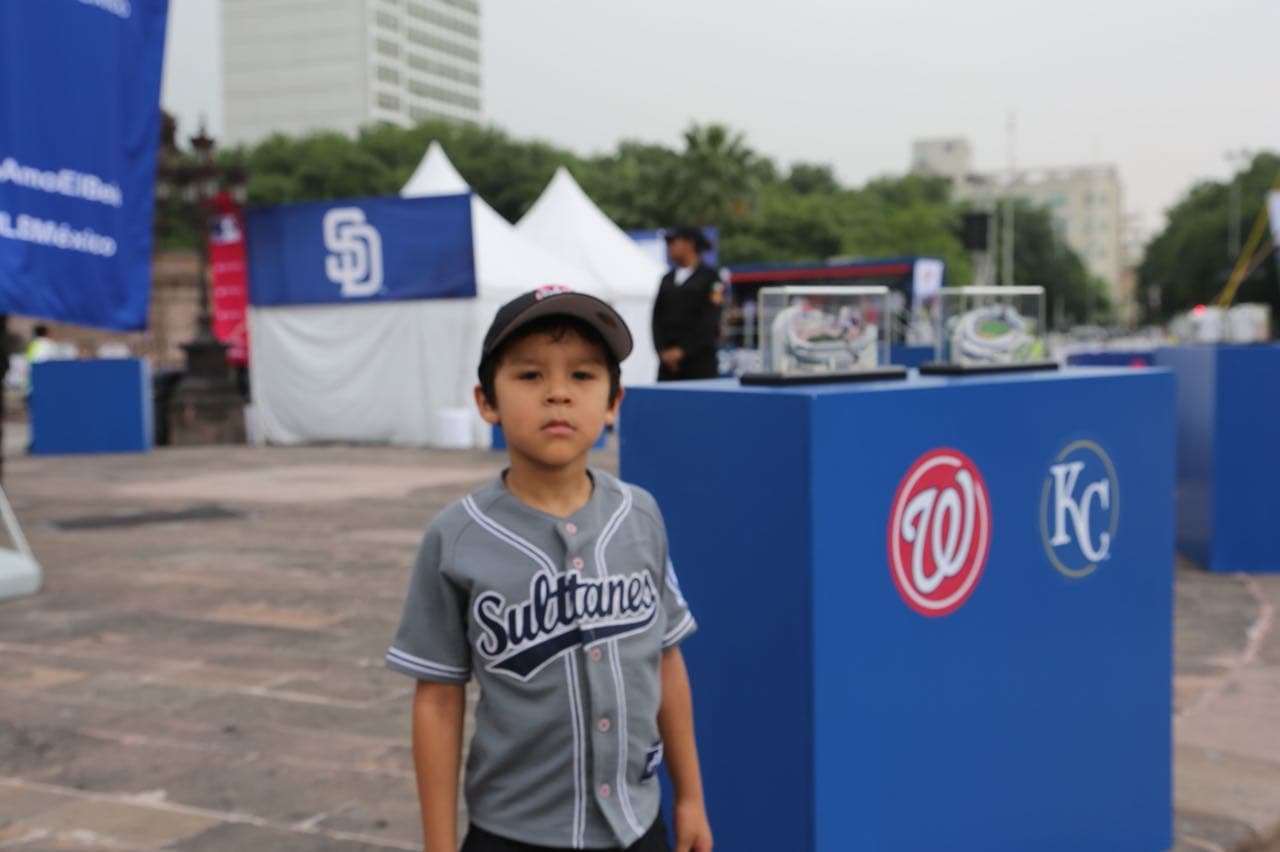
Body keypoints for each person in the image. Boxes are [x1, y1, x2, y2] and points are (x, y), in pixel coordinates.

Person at [387, 285, 713, 852]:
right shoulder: (456, 535)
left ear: (614, 402)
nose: (558, 393)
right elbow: (438, 699)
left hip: (638, 824)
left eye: (583, 376)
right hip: (514, 833)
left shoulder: (640, 515)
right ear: (486, 401)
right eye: (530, 375)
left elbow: (666, 660)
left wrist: (690, 798)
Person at [651, 227, 725, 381]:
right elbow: (656, 318)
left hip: (700, 363)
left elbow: (711, 317)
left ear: (689, 243)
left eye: (673, 241)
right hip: (668, 365)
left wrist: (683, 351)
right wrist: (663, 352)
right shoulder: (667, 279)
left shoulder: (712, 278)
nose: (669, 246)